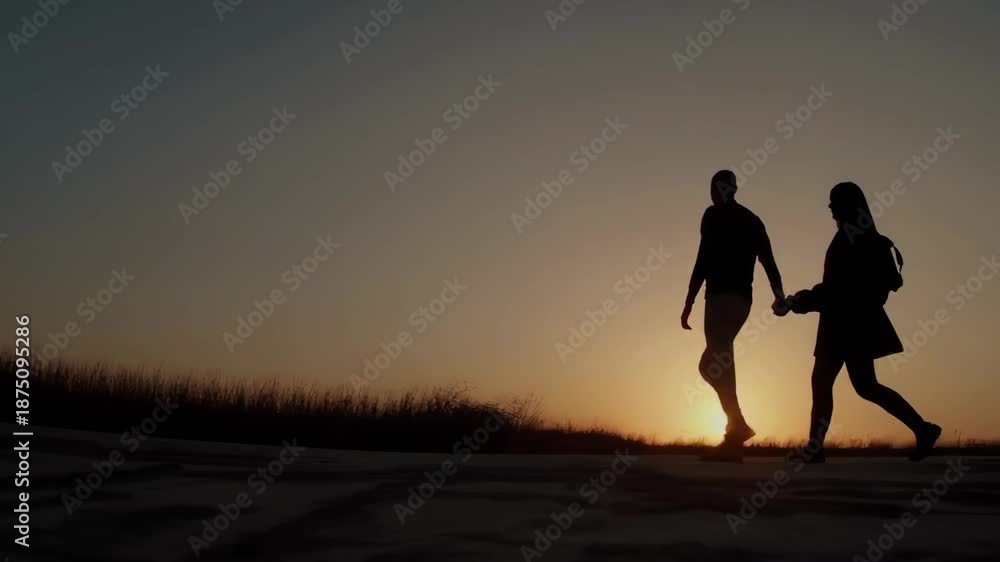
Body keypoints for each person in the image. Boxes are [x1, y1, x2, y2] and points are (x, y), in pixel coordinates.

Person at [789, 181, 940, 462]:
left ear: (847, 205)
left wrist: (801, 302)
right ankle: (923, 428)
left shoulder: (852, 238)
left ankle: (815, 447)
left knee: (828, 382)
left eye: (834, 202)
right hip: (848, 325)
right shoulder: (860, 236)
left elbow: (837, 289)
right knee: (862, 386)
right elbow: (837, 288)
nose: (830, 208)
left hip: (844, 326)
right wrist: (803, 301)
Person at [682, 170, 788, 457]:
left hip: (719, 298)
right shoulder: (753, 220)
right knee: (717, 361)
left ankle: (736, 428)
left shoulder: (713, 215)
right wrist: (779, 295)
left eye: (713, 189)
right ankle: (735, 429)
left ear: (719, 189)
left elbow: (702, 258)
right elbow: (769, 260)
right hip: (742, 302)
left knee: (713, 364)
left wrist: (689, 300)